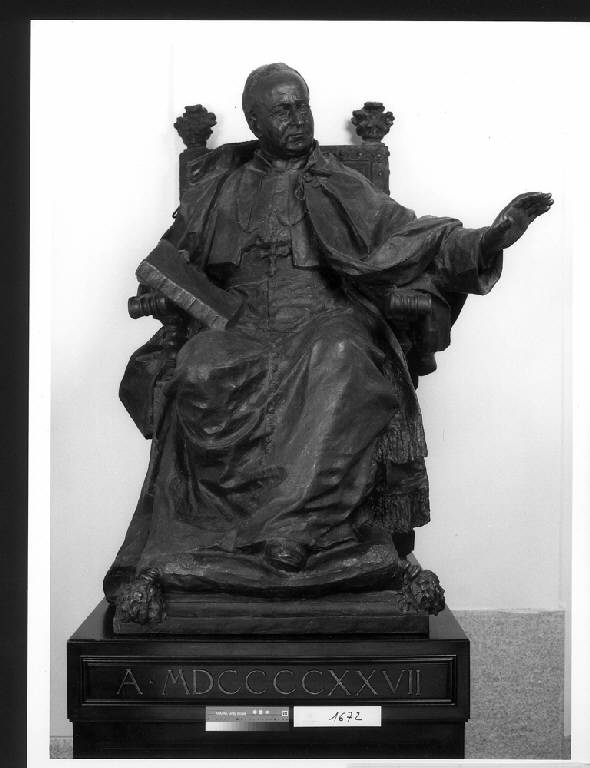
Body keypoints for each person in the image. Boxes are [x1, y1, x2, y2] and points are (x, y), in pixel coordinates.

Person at [104, 63, 552, 620]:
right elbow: (173, 258)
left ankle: (296, 529)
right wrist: (163, 288)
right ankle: (199, 540)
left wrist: (489, 238)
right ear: (254, 122)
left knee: (344, 355)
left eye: (303, 105)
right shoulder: (218, 187)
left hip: (323, 316)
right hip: (239, 324)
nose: (298, 119)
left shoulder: (338, 180)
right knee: (196, 369)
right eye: (283, 110)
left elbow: (413, 236)